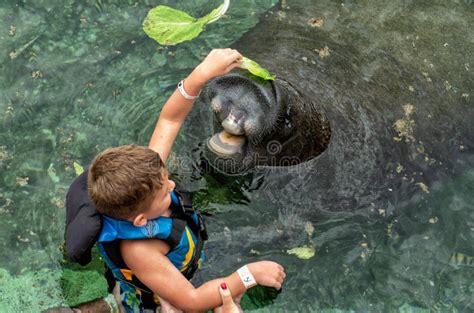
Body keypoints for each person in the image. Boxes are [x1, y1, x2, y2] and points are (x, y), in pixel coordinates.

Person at [66, 49, 285, 312]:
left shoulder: (147, 177)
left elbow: (169, 119)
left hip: (176, 262)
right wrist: (246, 276)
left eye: (166, 178)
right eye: (163, 192)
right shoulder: (139, 250)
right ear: (139, 221)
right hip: (159, 298)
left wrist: (202, 73)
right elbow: (192, 301)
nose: (171, 186)